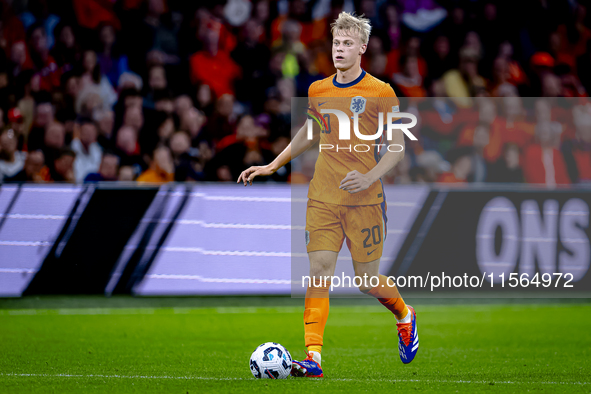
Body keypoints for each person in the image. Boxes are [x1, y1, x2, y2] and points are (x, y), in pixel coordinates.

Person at [238, 13, 419, 378]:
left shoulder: (382, 92)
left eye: (348, 43)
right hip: (322, 196)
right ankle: (313, 359)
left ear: (362, 48)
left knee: (366, 280)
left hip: (365, 200)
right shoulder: (319, 90)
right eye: (336, 43)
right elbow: (311, 131)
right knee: (319, 272)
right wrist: (274, 165)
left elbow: (398, 148)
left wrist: (368, 177)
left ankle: (404, 314)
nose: (340, 49)